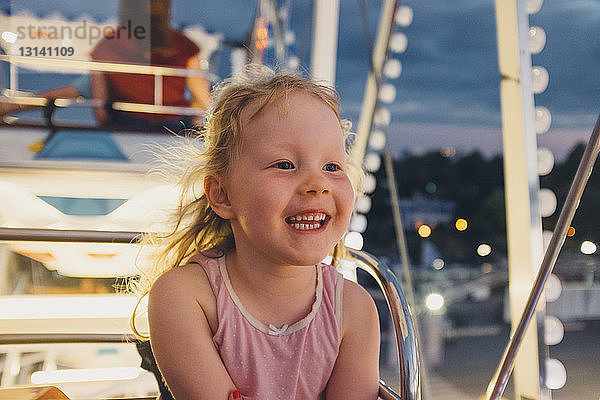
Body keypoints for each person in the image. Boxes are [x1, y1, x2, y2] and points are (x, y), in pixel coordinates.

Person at [133, 64, 380, 399]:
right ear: (222, 195)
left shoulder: (354, 309)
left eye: (332, 167)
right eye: (285, 165)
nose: (318, 184)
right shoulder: (185, 296)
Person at [89, 0, 210, 130]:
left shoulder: (107, 45)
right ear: (167, 10)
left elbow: (99, 107)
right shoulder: (184, 45)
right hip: (174, 124)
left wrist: (108, 128)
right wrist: (196, 121)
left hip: (125, 123)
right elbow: (202, 99)